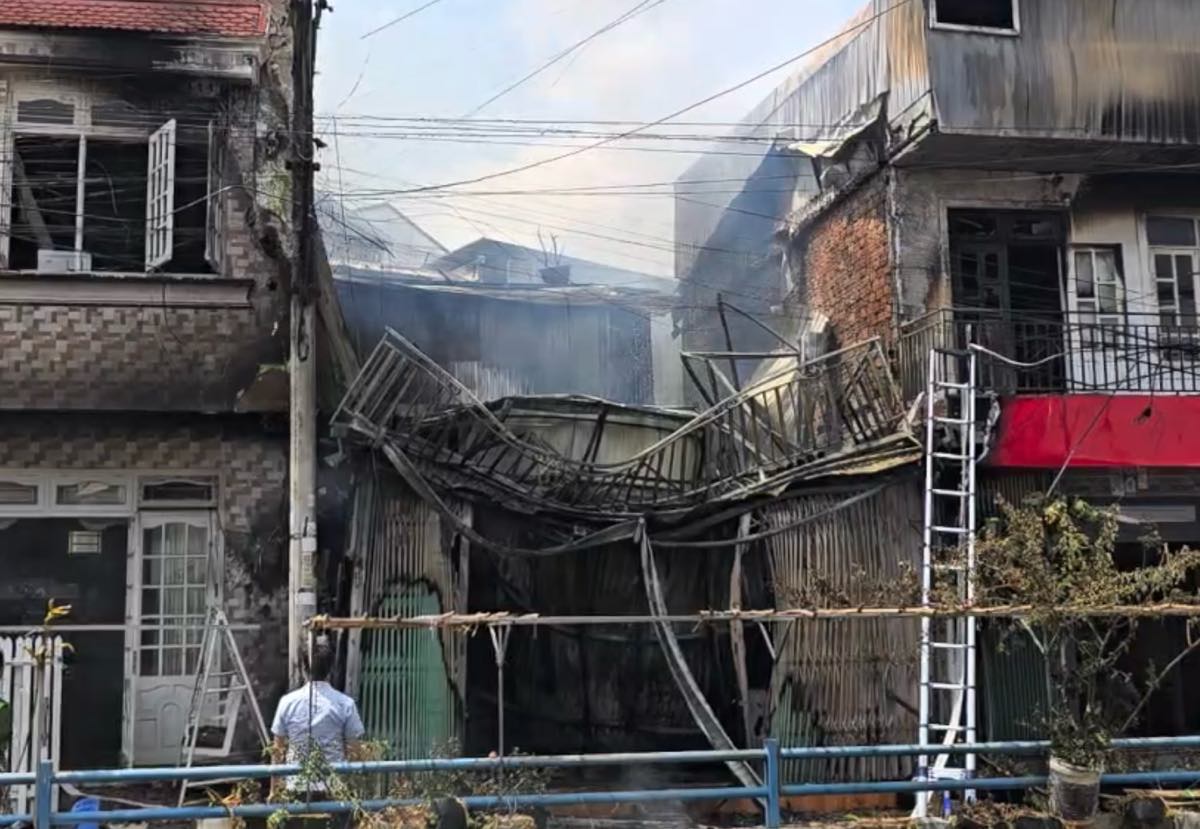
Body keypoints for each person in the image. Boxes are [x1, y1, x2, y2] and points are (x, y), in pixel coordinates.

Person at [270, 639, 365, 800]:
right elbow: (355, 752)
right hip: (333, 789)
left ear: (302, 668)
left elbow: (277, 751)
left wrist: (274, 791)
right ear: (331, 669)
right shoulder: (345, 704)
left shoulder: (287, 702)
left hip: (296, 787)